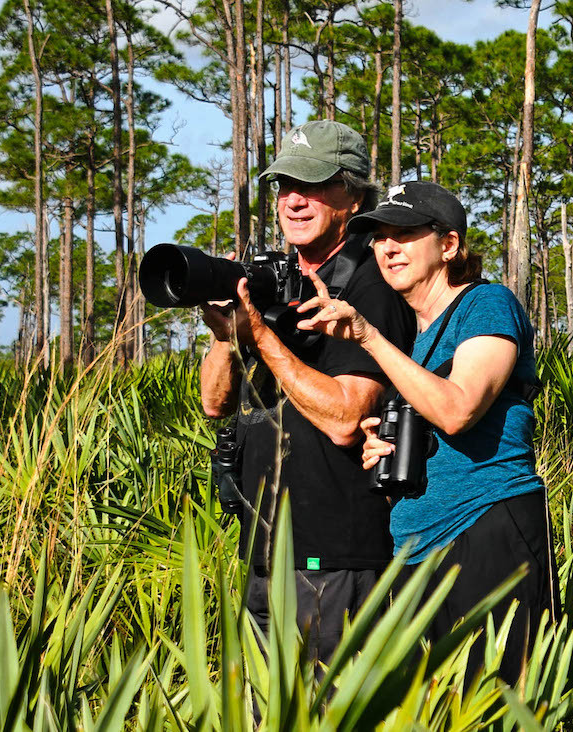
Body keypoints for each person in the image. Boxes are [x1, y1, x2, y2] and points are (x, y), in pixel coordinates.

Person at [296, 180, 561, 685]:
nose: (388, 247)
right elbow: (432, 426)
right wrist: (384, 447)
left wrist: (369, 338)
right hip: (418, 547)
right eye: (377, 237)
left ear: (449, 244)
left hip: (486, 526)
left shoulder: (487, 304)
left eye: (405, 233)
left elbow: (459, 410)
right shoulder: (417, 341)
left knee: (499, 703)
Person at [199, 120, 415, 666]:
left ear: (354, 192)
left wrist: (264, 337)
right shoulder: (279, 279)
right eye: (283, 186)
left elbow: (346, 415)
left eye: (312, 184)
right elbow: (214, 404)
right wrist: (229, 336)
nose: (294, 201)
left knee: (329, 712)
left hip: (331, 554)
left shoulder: (372, 284)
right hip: (264, 551)